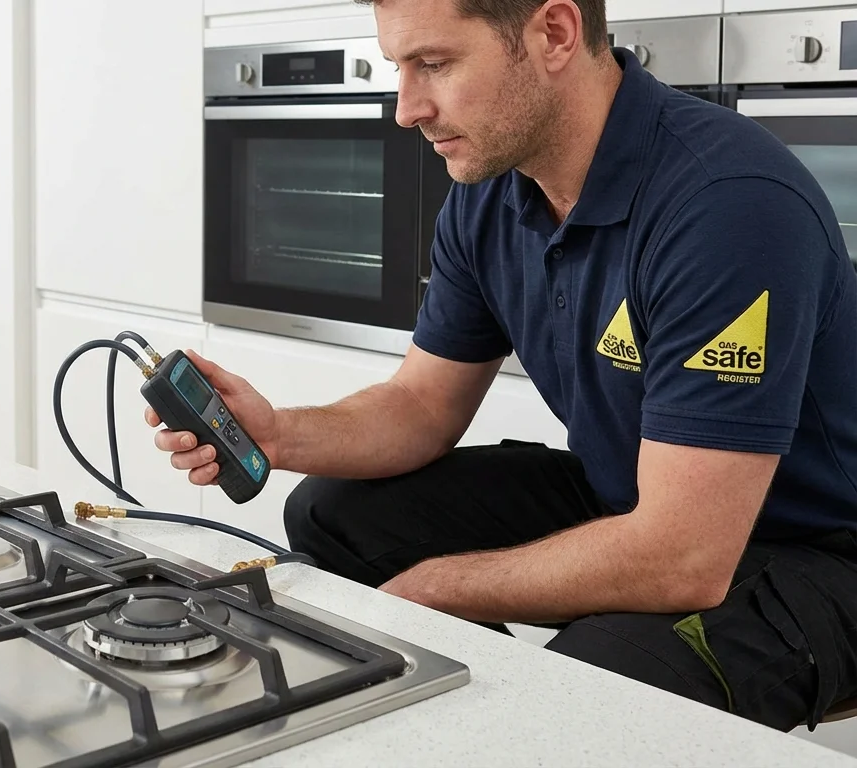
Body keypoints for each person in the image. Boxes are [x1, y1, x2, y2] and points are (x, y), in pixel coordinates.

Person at [145, 0, 857, 734]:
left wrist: (438, 589)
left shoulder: (726, 205)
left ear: (554, 34)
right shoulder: (490, 193)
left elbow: (685, 556)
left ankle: (525, 734)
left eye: (435, 63)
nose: (406, 108)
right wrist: (277, 432)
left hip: (813, 549)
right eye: (400, 67)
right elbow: (422, 405)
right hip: (639, 495)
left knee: (594, 684)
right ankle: (473, 733)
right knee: (333, 512)